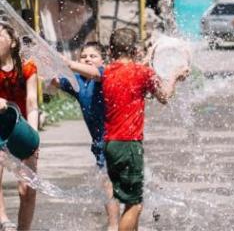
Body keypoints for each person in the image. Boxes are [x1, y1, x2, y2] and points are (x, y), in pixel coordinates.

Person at [101, 28, 188, 231]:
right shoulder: (142, 73)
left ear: (111, 49)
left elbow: (131, 71)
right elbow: (164, 96)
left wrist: (149, 55)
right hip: (129, 145)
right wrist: (175, 75)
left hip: (111, 145)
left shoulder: (107, 72)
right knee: (135, 205)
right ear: (135, 50)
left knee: (127, 200)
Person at [51, 42, 120, 230]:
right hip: (100, 143)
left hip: (117, 138)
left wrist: (70, 63)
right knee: (107, 182)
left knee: (109, 182)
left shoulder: (106, 73)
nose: (88, 59)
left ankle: (114, 225)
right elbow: (55, 82)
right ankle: (115, 221)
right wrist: (49, 70)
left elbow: (97, 74)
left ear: (102, 60)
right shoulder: (79, 80)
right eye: (84, 56)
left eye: (92, 56)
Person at [0, 20, 39, 231]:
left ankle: (24, 229)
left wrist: (33, 139)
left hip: (22, 128)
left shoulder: (27, 66)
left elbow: (32, 102)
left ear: (13, 42)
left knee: (28, 188)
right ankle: (4, 221)